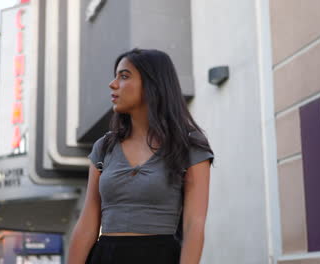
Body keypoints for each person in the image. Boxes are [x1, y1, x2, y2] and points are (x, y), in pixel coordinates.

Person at [66, 48, 214, 264]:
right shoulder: (104, 147)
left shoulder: (189, 146)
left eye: (124, 76)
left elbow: (194, 225)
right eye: (115, 76)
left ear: (153, 84)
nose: (113, 84)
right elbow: (87, 223)